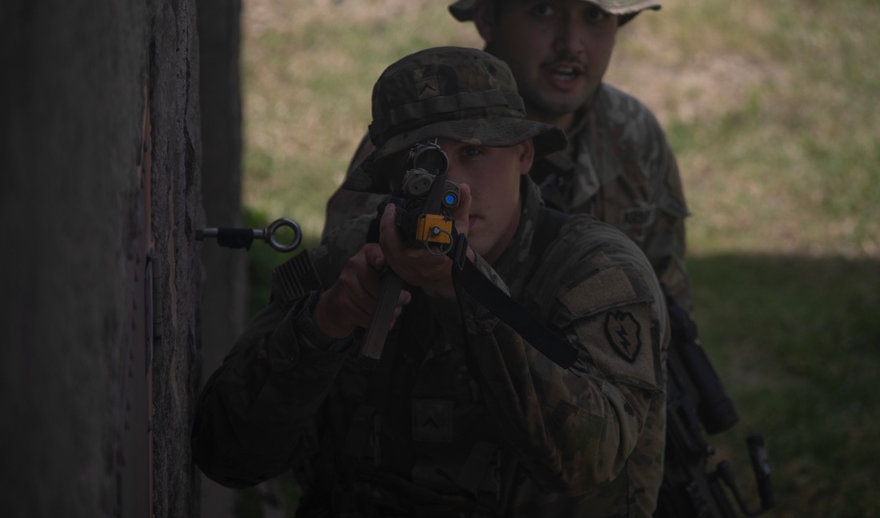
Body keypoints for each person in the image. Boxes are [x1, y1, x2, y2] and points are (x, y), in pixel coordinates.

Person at [193, 46, 669, 517]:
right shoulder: (348, 262)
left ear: (524, 154)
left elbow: (585, 461)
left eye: (474, 152)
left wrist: (461, 290)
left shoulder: (594, 272)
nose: (453, 188)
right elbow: (225, 454)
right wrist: (323, 326)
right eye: (425, 164)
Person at [323, 0, 692, 313]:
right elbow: (340, 281)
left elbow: (666, 295)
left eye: (595, 16)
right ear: (488, 19)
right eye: (543, 11)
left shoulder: (632, 132)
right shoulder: (423, 137)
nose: (572, 43)